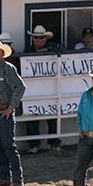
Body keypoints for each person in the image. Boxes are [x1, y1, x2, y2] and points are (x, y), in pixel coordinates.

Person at [0, 39, 26, 186]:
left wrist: (10, 108)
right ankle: (5, 178)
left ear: (2, 54)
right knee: (1, 146)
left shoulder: (7, 68)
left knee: (8, 146)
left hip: (3, 111)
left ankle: (17, 180)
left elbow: (20, 87)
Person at [25, 25, 64, 153]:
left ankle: (54, 142)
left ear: (46, 38)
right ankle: (33, 144)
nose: (38, 40)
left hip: (51, 87)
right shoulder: (28, 51)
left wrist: (46, 52)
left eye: (41, 37)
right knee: (32, 115)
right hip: (34, 88)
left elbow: (65, 53)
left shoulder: (54, 47)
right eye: (35, 38)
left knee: (52, 115)